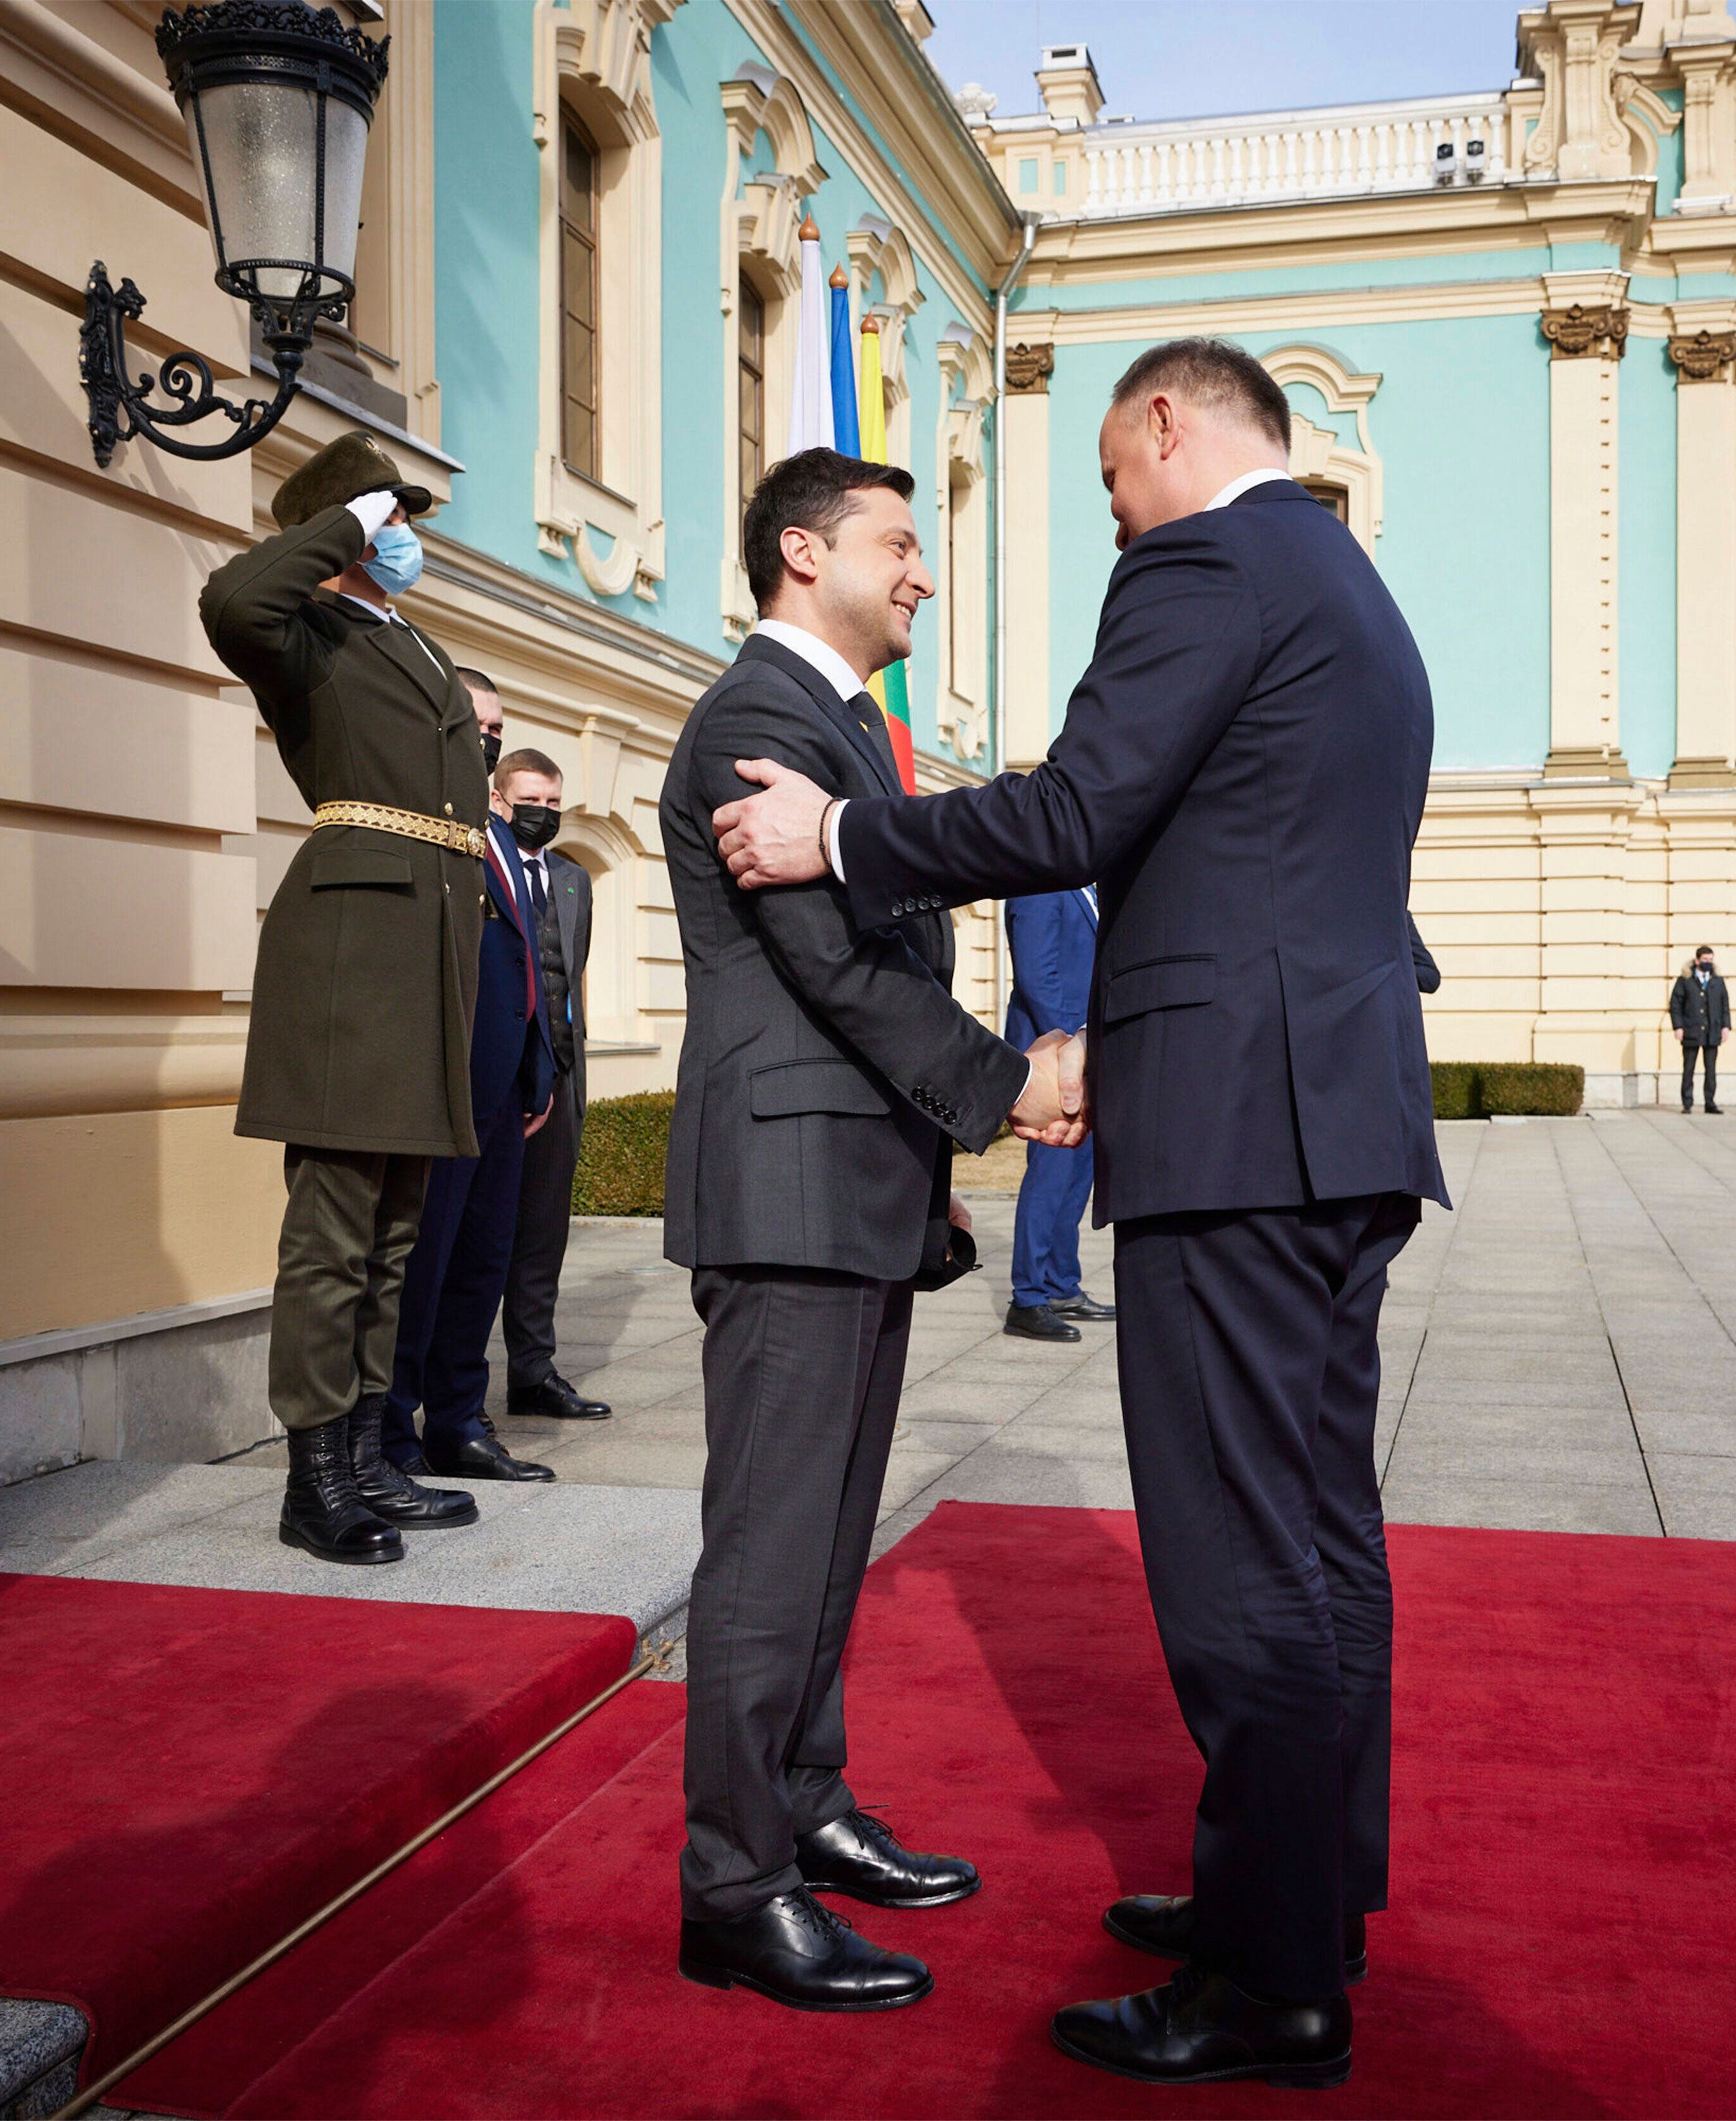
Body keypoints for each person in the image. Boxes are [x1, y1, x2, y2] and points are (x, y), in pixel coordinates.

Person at [712, 340, 1446, 2089]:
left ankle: (1275, 1982)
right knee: (1324, 1525)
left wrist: (847, 836)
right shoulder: (1349, 578)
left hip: (1235, 1126)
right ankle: (1302, 1893)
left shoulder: (1204, 560)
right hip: (1338, 1110)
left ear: (1169, 429)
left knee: (1238, 1551)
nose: (1114, 514)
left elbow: (1077, 806)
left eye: (1112, 478)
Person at [662, 448, 1087, 2014]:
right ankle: (732, 1883)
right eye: (896, 544)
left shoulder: (844, 725)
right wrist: (1005, 1090)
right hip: (786, 1193)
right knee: (769, 1551)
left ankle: (804, 1800)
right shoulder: (760, 722)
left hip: (851, 1186)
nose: (921, 570)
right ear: (799, 552)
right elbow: (838, 961)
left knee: (829, 1539)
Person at [198, 434, 488, 1567]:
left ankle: (368, 1454)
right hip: (351, 953)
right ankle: (313, 1480)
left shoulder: (400, 635)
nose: (411, 532)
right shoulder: (300, 629)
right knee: (332, 1231)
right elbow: (232, 596)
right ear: (350, 530)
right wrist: (345, 521)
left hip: (421, 950)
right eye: (393, 517)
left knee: (393, 1230)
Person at [372, 737, 563, 1487]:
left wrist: (539, 1074)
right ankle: (392, 1434)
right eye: (474, 720)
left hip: (509, 1102)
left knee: (483, 1267)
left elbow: (534, 971)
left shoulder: (524, 862)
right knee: (426, 1267)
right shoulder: (443, 840)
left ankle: (459, 1422)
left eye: (495, 723)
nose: (482, 735)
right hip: (447, 1096)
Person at [489, 741, 614, 1427]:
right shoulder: (480, 869)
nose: (540, 813)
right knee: (481, 1238)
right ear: (498, 802)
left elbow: (569, 977)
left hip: (560, 1078)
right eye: (528, 802)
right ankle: (453, 1387)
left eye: (551, 803)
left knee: (542, 1236)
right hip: (499, 1083)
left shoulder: (573, 880)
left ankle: (533, 1372)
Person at [1000, 888, 1112, 1343]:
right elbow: (1035, 973)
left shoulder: (1090, 884)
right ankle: (1027, 1298)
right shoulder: (1040, 881)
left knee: (1077, 1174)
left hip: (1084, 1051)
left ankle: (1062, 1283)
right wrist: (1071, 1043)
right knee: (1050, 1176)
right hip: (1051, 1053)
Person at [1669, 944, 1730, 1114]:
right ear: (1697, 961)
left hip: (1712, 1031)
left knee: (1711, 1070)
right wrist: (1678, 1026)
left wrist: (1726, 1026)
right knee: (1689, 1068)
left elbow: (1725, 1005)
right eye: (1705, 960)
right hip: (1691, 1030)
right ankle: (1687, 1103)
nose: (1708, 963)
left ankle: (1710, 1103)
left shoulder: (1717, 980)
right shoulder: (1685, 980)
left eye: (1711, 960)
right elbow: (1675, 1005)